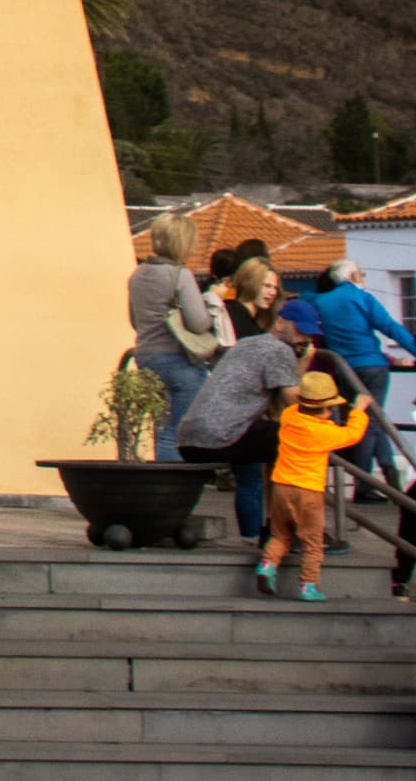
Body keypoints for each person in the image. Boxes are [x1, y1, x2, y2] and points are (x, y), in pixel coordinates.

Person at [175, 301, 313, 541]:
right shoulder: (279, 350)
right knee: (295, 439)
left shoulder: (247, 343)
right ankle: (281, 528)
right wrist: (305, 362)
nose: (305, 337)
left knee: (272, 442)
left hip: (190, 436)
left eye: (310, 334)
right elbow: (294, 401)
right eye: (301, 330)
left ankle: (269, 529)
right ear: (280, 322)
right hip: (220, 436)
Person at [290, 258, 416, 479]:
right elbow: (390, 327)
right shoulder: (363, 298)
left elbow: (306, 301)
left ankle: (387, 475)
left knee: (364, 418)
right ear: (352, 276)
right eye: (361, 274)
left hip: (343, 368)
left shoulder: (322, 302)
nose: (363, 278)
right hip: (372, 365)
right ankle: (366, 483)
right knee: (371, 421)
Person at [257, 364, 364, 600]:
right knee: (312, 542)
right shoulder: (324, 433)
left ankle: (267, 565)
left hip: (281, 487)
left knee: (280, 535)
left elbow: (297, 405)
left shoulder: (289, 417)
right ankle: (309, 586)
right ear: (326, 410)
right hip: (309, 492)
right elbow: (353, 434)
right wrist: (359, 411)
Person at [128, 212, 224, 453]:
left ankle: (162, 482)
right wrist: (214, 303)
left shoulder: (136, 275)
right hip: (178, 359)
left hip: (146, 356)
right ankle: (173, 487)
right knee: (177, 432)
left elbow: (134, 320)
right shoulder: (180, 276)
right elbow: (198, 323)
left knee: (161, 430)